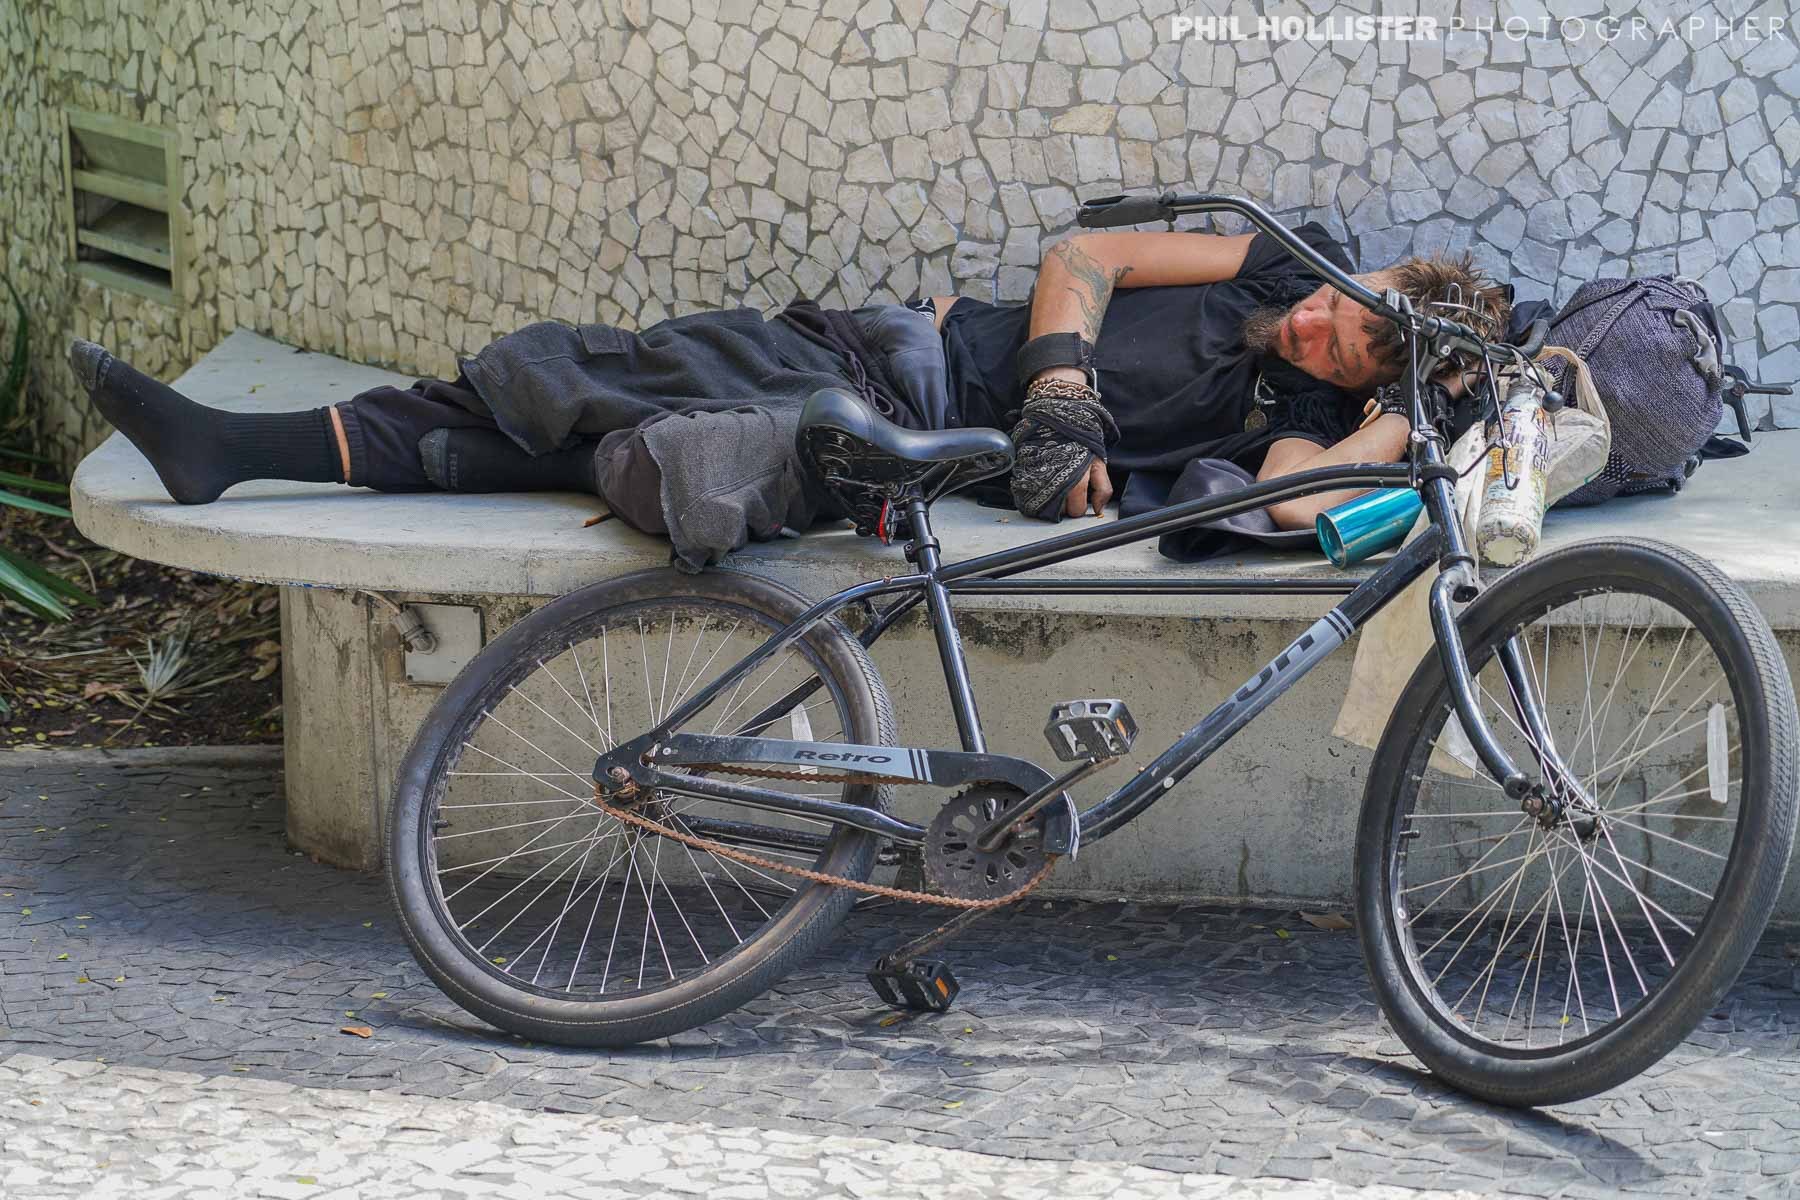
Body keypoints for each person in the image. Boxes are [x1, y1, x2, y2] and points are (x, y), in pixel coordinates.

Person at [69, 218, 1508, 567]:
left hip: (910, 457)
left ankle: (229, 448)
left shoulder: (1314, 425)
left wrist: (1406, 417)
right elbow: (1085, 256)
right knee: (578, 389)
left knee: (639, 452)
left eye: (1343, 346)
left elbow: (1290, 512)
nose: (1312, 326)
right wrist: (1064, 389)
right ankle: (229, 445)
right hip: (888, 360)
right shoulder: (1277, 258)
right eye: (1339, 305)